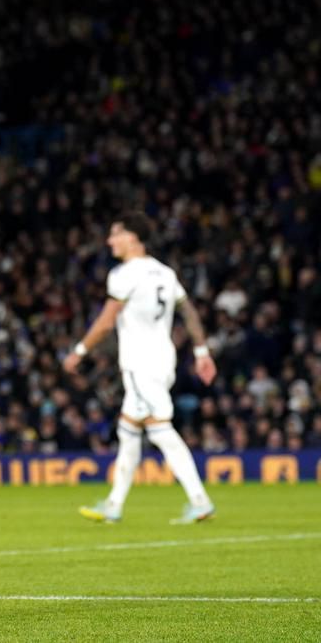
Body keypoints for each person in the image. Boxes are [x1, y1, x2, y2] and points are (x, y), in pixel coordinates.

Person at [63, 212, 218, 525]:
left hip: (140, 363)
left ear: (132, 237)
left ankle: (200, 501)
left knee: (160, 429)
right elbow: (188, 311)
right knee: (129, 429)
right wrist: (202, 352)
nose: (109, 241)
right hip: (163, 359)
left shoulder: (124, 274)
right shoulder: (164, 272)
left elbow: (107, 321)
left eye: (114, 234)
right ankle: (114, 504)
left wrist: (78, 352)